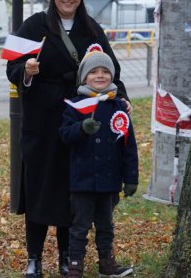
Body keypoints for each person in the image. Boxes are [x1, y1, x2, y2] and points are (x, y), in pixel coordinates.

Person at [5, 0, 131, 277]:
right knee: (37, 188)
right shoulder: (34, 25)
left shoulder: (91, 28)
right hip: (40, 123)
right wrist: (26, 71)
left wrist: (123, 99)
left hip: (77, 122)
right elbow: (11, 66)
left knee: (69, 192)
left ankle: (66, 257)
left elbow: (110, 70)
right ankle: (33, 258)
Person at [59, 51, 138, 278]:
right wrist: (81, 128)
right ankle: (75, 266)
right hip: (82, 180)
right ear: (84, 77)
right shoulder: (75, 105)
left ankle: (107, 264)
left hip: (109, 180)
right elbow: (64, 135)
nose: (100, 75)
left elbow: (128, 146)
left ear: (112, 76)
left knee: (106, 226)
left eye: (105, 71)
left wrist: (131, 177)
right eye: (94, 72)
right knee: (79, 227)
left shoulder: (119, 108)